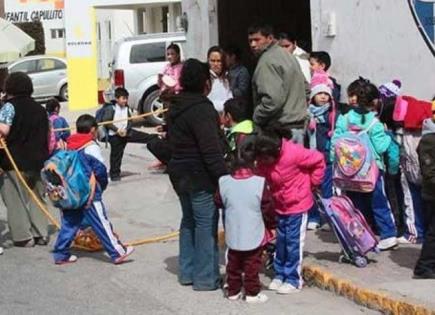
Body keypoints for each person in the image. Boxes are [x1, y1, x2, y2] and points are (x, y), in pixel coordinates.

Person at [167, 59, 228, 290]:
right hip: (199, 174)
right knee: (204, 223)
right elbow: (210, 150)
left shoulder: (175, 106)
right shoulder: (202, 109)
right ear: (205, 83)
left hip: (179, 173)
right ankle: (205, 278)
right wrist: (223, 177)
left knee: (189, 220)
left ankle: (188, 272)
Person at [52, 114, 134, 264]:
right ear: (93, 130)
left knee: (69, 223)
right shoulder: (90, 146)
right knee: (102, 223)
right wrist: (100, 188)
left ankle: (60, 253)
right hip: (89, 193)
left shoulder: (69, 144)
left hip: (72, 193)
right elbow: (100, 170)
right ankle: (117, 252)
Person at [330, 82, 399, 250]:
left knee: (355, 205)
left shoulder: (344, 119)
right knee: (379, 202)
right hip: (371, 171)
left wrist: (335, 161)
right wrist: (389, 135)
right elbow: (381, 147)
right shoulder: (374, 123)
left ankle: (361, 236)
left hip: (348, 172)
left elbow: (335, 142)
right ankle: (388, 235)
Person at [256, 129, 325, 294]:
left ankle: (293, 279)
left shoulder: (294, 153)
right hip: (280, 204)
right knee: (281, 241)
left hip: (298, 205)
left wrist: (313, 183)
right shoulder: (264, 162)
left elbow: (319, 160)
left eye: (266, 159)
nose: (264, 162)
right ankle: (280, 274)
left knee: (293, 243)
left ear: (276, 151)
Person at [215, 141, 274, 303]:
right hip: (253, 230)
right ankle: (252, 293)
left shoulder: (224, 181)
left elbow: (218, 202)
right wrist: (272, 225)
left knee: (233, 263)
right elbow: (268, 207)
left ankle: (233, 291)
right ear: (254, 163)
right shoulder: (259, 183)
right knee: (252, 264)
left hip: (233, 229)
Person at [0, 72, 49, 247]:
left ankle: (23, 236)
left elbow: (3, 130)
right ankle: (41, 233)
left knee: (15, 199)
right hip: (37, 160)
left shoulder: (9, 107)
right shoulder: (40, 108)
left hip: (15, 162)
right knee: (38, 197)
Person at [248, 24, 307, 143]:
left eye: (257, 40)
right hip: (297, 126)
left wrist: (257, 117)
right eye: (250, 41)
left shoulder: (268, 61)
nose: (253, 45)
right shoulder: (287, 56)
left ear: (270, 38)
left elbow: (272, 101)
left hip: (280, 129)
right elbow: (306, 88)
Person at [102, 87, 157, 181]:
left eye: (126, 98)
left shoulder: (126, 108)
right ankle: (115, 174)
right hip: (115, 136)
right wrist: (117, 130)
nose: (125, 100)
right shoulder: (111, 108)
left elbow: (130, 121)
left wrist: (126, 130)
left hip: (127, 133)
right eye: (123, 98)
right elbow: (107, 122)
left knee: (149, 137)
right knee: (116, 155)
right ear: (117, 98)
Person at [306, 71, 336, 230]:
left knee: (326, 189)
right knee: (311, 188)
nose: (323, 96)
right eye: (320, 93)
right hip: (311, 156)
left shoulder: (332, 114)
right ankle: (313, 216)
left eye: (326, 93)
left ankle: (328, 219)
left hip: (326, 156)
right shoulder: (307, 113)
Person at [414, 114, 435, 279]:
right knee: (433, 232)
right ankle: (424, 267)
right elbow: (429, 172)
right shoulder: (429, 140)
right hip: (432, 193)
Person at [207, 46, 233, 113]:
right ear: (208, 61)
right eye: (212, 61)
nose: (215, 64)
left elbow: (230, 99)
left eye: (219, 61)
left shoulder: (226, 78)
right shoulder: (205, 79)